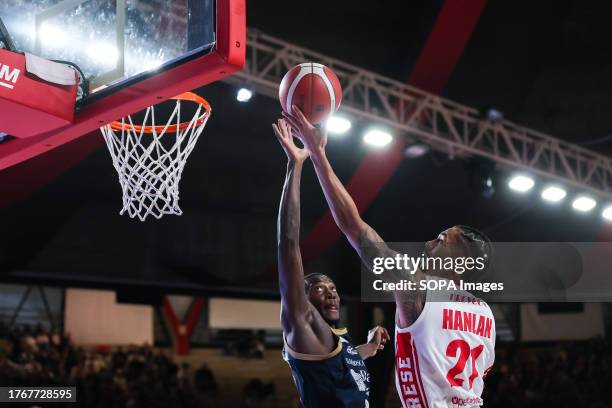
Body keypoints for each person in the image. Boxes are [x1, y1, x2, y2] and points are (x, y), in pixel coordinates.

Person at [283, 106, 496, 408]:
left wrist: (317, 154)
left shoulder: (418, 287)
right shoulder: (486, 313)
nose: (428, 243)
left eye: (441, 239)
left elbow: (355, 229)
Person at [272, 118, 389, 408]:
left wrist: (370, 347)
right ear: (304, 295)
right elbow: (288, 243)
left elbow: (343, 359)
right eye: (320, 288)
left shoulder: (334, 340)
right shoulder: (302, 322)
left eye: (333, 288)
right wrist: (295, 164)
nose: (331, 292)